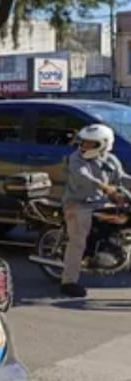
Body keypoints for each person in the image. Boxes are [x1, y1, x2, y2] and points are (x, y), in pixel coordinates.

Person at [60, 123, 131, 298]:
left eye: (91, 143)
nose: (85, 146)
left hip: (101, 203)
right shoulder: (76, 158)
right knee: (78, 241)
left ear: (104, 144)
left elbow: (121, 178)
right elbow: (83, 176)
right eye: (83, 142)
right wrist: (107, 188)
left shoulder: (110, 159)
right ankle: (69, 281)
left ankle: (110, 250)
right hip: (78, 204)